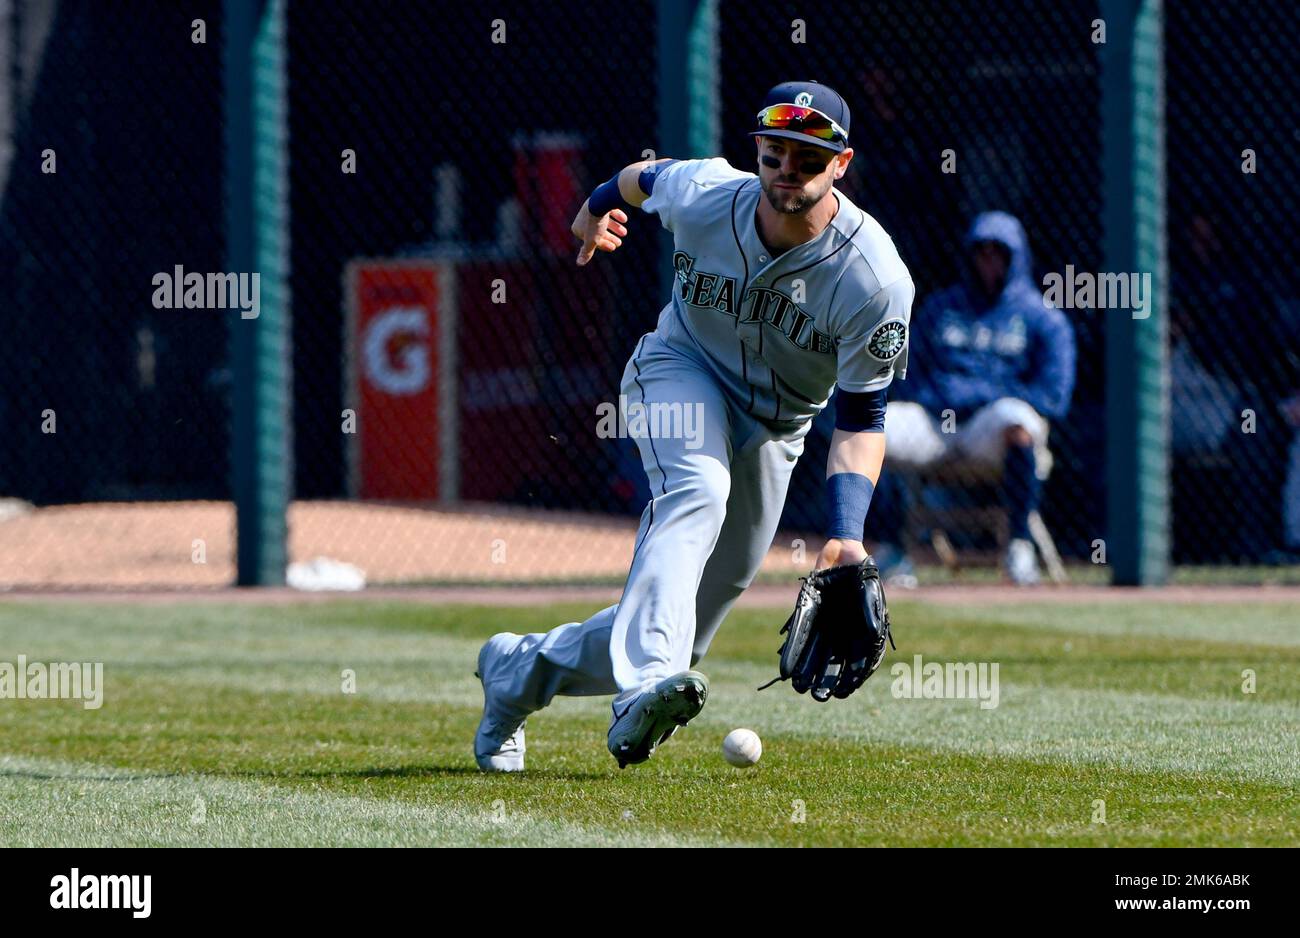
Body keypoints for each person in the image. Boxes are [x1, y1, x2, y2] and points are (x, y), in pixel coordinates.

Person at [473, 81, 915, 771]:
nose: (786, 171)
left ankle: (517, 672)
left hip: (777, 427)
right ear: (759, 151)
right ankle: (643, 686)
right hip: (682, 369)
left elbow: (861, 419)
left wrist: (846, 536)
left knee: (688, 632)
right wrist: (594, 211)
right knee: (697, 490)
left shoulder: (874, 279)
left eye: (807, 158)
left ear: (841, 164)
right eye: (775, 154)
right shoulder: (709, 192)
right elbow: (637, 180)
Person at [876, 211, 1075, 586]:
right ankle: (893, 551)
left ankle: (1018, 548)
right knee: (875, 428)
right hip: (936, 423)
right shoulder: (941, 309)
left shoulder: (1041, 318)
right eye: (980, 251)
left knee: (1019, 423)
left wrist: (982, 393)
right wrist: (940, 394)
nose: (988, 260)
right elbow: (904, 373)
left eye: (997, 252)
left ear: (1016, 257)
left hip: (989, 428)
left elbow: (1054, 396)